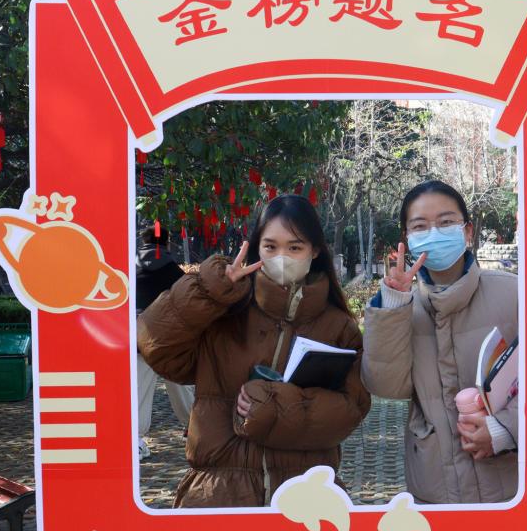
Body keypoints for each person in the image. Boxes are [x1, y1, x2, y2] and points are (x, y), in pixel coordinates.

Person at [137, 195, 371, 508]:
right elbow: (156, 345)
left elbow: (350, 410)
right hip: (218, 496)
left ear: (315, 251)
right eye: (270, 246)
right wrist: (207, 291)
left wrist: (274, 408)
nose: (282, 257)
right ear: (256, 247)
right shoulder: (225, 312)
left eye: (295, 248)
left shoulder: (338, 326)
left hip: (305, 500)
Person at [362, 179, 519, 505]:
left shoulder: (514, 294)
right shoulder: (401, 306)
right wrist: (394, 304)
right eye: (420, 226)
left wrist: (505, 429)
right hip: (435, 489)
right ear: (407, 239)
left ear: (467, 231)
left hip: (513, 488)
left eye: (446, 222)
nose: (434, 233)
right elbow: (386, 386)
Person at [134, 226, 191, 459]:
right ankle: (196, 429)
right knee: (182, 385)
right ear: (166, 243)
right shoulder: (175, 273)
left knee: (138, 391)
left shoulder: (130, 268)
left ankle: (135, 442)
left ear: (143, 242)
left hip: (138, 338)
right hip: (169, 340)